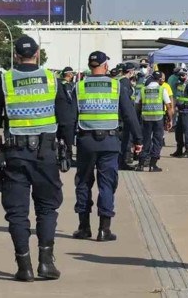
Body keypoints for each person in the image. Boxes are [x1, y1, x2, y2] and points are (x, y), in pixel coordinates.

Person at [0, 35, 66, 281]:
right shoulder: (52, 79)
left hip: (15, 154)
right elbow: (66, 116)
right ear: (37, 54)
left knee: (18, 212)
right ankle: (46, 263)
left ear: (16, 55)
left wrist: (11, 118)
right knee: (47, 208)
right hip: (46, 153)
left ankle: (24, 266)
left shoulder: (4, 80)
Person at [73, 51, 143, 242]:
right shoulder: (116, 85)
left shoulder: (79, 87)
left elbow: (71, 117)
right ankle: (104, 229)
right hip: (110, 142)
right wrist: (138, 140)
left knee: (83, 183)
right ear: (104, 66)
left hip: (85, 142)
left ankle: (84, 227)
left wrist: (66, 141)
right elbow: (129, 115)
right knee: (107, 184)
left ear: (90, 66)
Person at [136, 71, 173, 171]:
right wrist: (170, 120)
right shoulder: (162, 90)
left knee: (145, 140)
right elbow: (169, 106)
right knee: (157, 141)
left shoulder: (143, 89)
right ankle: (153, 165)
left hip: (145, 119)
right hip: (158, 119)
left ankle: (141, 164)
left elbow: (137, 104)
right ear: (160, 79)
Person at [170, 68, 188, 158]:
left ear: (186, 75)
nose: (181, 76)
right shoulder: (178, 84)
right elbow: (176, 96)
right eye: (180, 75)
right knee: (178, 131)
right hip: (180, 111)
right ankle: (179, 150)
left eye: (183, 74)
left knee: (187, 131)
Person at [56, 67, 76, 165]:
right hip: (68, 116)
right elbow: (71, 99)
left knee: (60, 137)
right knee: (68, 139)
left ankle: (60, 156)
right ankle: (68, 158)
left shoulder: (57, 84)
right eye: (72, 73)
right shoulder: (69, 86)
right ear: (69, 74)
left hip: (58, 116)